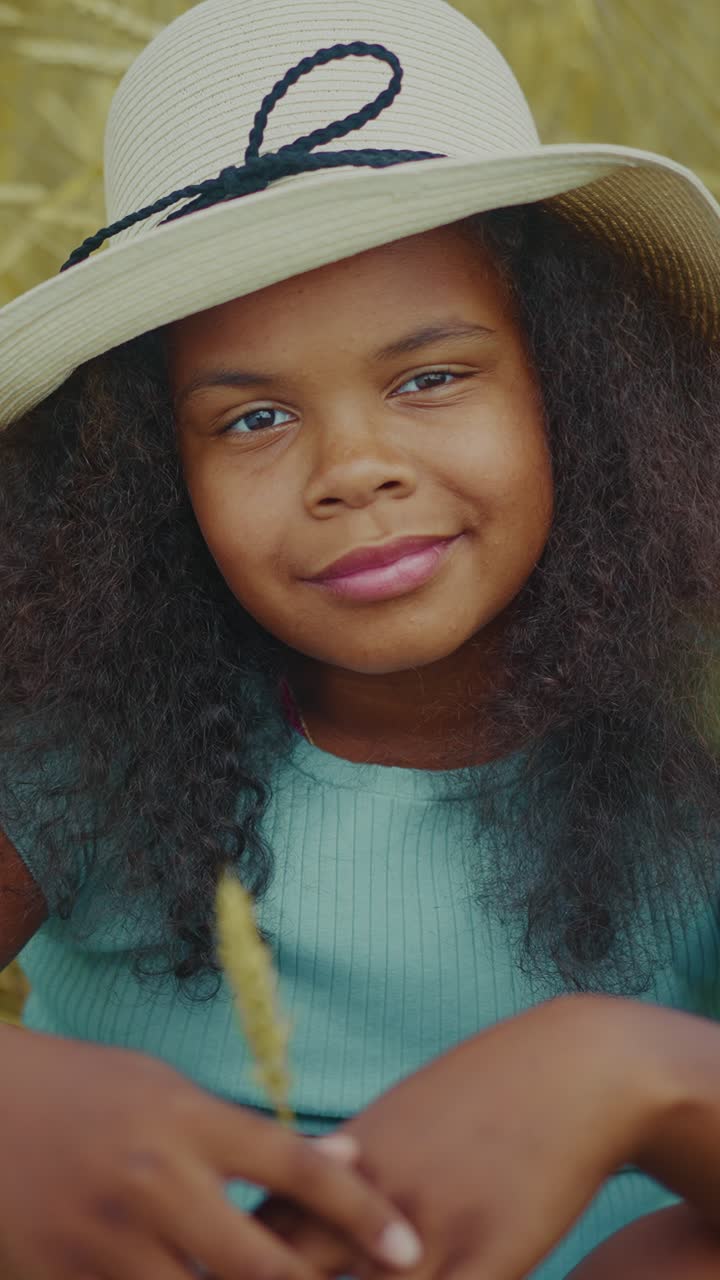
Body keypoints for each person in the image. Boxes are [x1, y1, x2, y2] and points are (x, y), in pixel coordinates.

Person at [2, 0, 720, 1276]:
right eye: (255, 416)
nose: (354, 471)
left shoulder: (694, 741)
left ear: (576, 387)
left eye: (430, 376)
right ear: (156, 484)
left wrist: (635, 1068)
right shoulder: (89, 742)